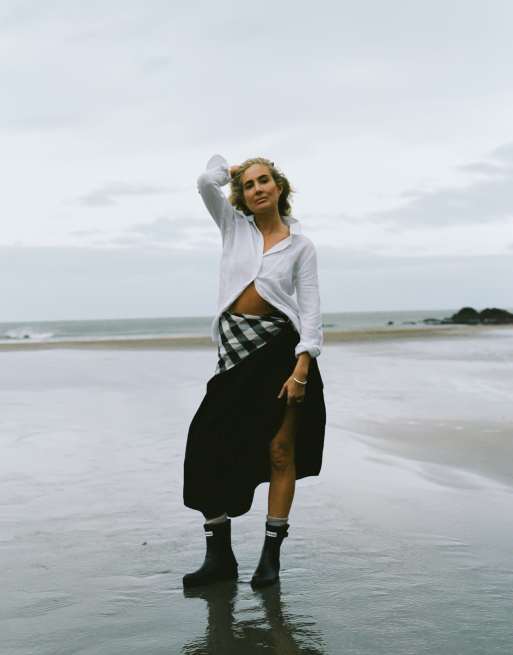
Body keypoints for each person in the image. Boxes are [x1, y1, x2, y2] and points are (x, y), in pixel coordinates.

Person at [183, 153, 326, 589]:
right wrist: (230, 170)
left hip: (280, 354)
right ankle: (220, 559)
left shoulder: (300, 246)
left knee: (281, 451)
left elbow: (310, 310)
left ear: (279, 187)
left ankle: (270, 559)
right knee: (206, 445)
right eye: (248, 185)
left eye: (264, 180)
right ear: (242, 196)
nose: (257, 188)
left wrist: (302, 367)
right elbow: (204, 183)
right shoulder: (233, 228)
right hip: (233, 355)